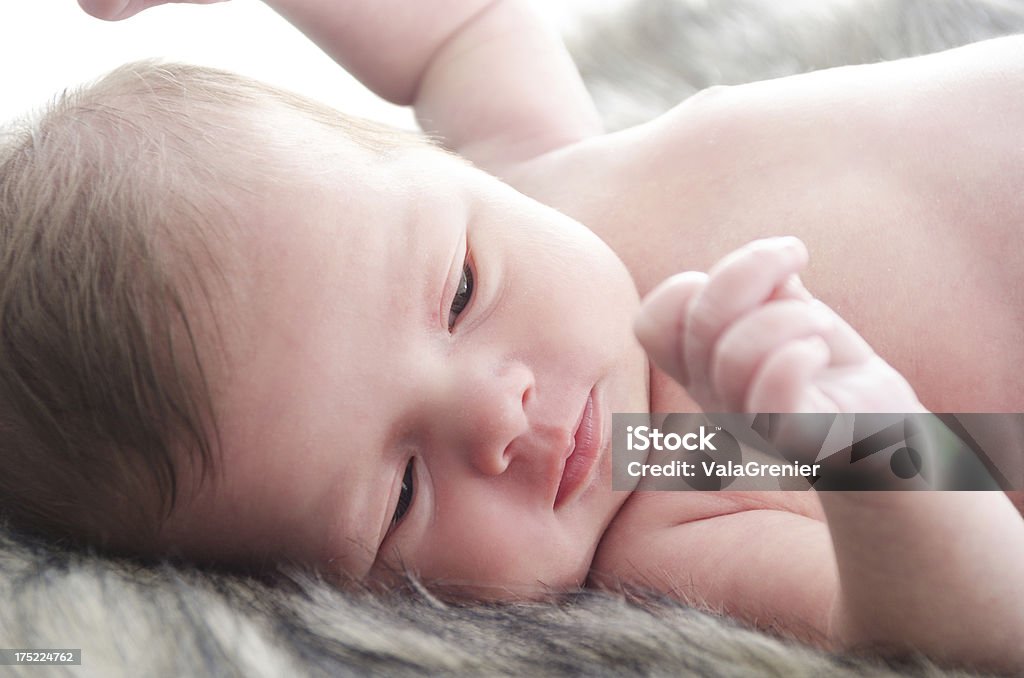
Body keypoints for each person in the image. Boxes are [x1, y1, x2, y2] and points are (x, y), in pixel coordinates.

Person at [0, 0, 1020, 671]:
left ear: (437, 164)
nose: (498, 415)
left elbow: (460, 25)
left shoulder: (539, 176)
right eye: (400, 493)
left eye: (457, 296)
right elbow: (974, 626)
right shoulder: (669, 481)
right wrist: (866, 437)